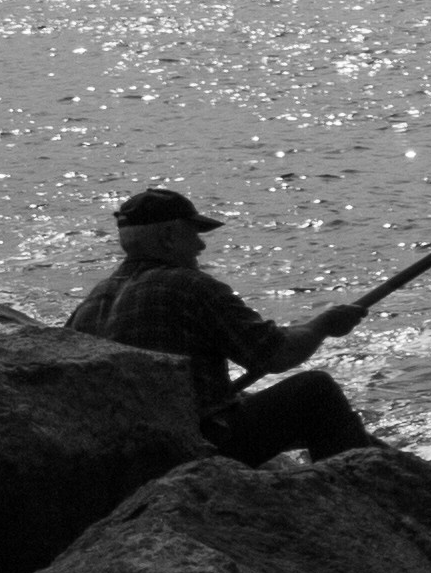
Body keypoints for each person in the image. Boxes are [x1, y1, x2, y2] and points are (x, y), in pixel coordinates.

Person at [68, 188, 375, 461]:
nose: (200, 246)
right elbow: (277, 354)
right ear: (168, 237)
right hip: (190, 451)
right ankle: (366, 495)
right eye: (194, 233)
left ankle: (374, 462)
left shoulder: (92, 302)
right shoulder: (188, 286)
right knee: (314, 391)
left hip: (123, 456)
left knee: (255, 403)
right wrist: (324, 325)